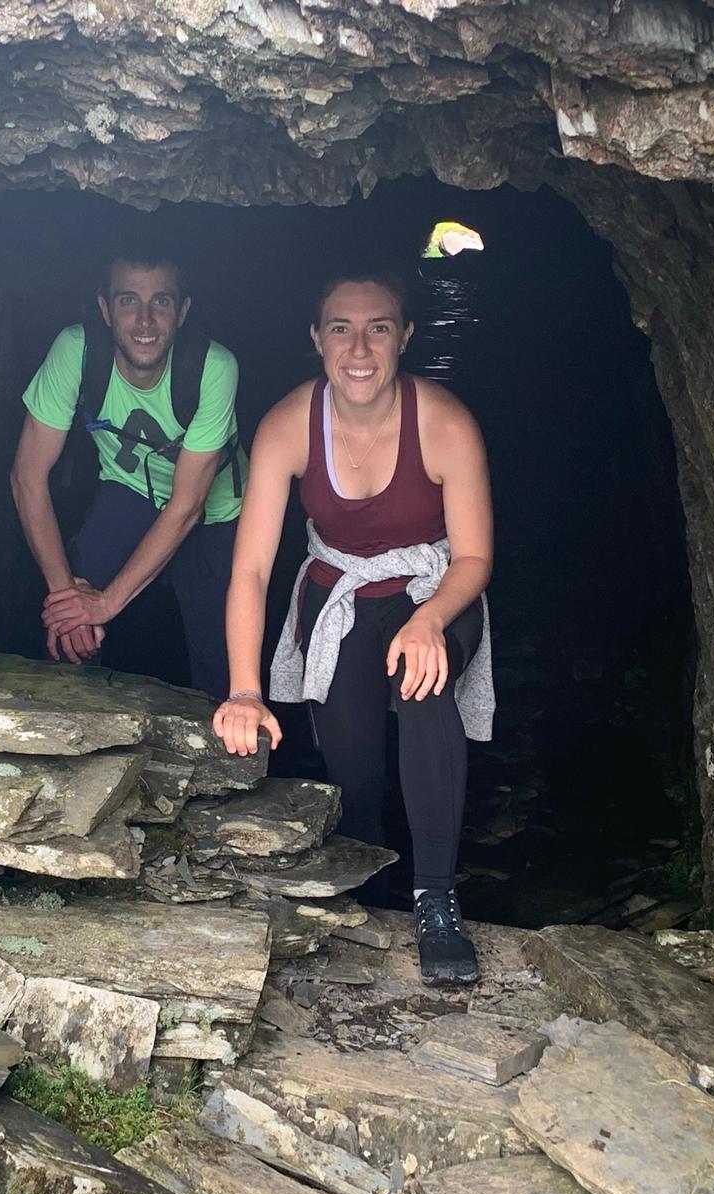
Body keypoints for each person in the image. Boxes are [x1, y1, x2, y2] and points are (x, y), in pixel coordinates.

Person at [213, 267, 495, 985]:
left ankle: (435, 896)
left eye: (377, 328)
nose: (359, 348)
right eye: (341, 328)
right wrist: (245, 691)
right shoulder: (287, 426)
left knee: (425, 688)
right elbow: (250, 570)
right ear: (316, 339)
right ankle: (366, 880)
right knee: (354, 753)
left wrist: (431, 621)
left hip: (431, 589)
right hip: (339, 596)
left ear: (403, 337)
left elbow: (474, 556)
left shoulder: (444, 422)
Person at [11, 249, 247, 697]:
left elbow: (187, 507)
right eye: (127, 301)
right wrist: (68, 598)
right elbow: (27, 478)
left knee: (223, 647)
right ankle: (66, 736)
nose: (144, 321)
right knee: (66, 629)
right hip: (129, 489)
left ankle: (228, 761)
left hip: (215, 509)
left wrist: (103, 604)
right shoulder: (76, 352)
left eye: (160, 302)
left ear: (183, 310)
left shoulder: (214, 368)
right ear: (104, 308)